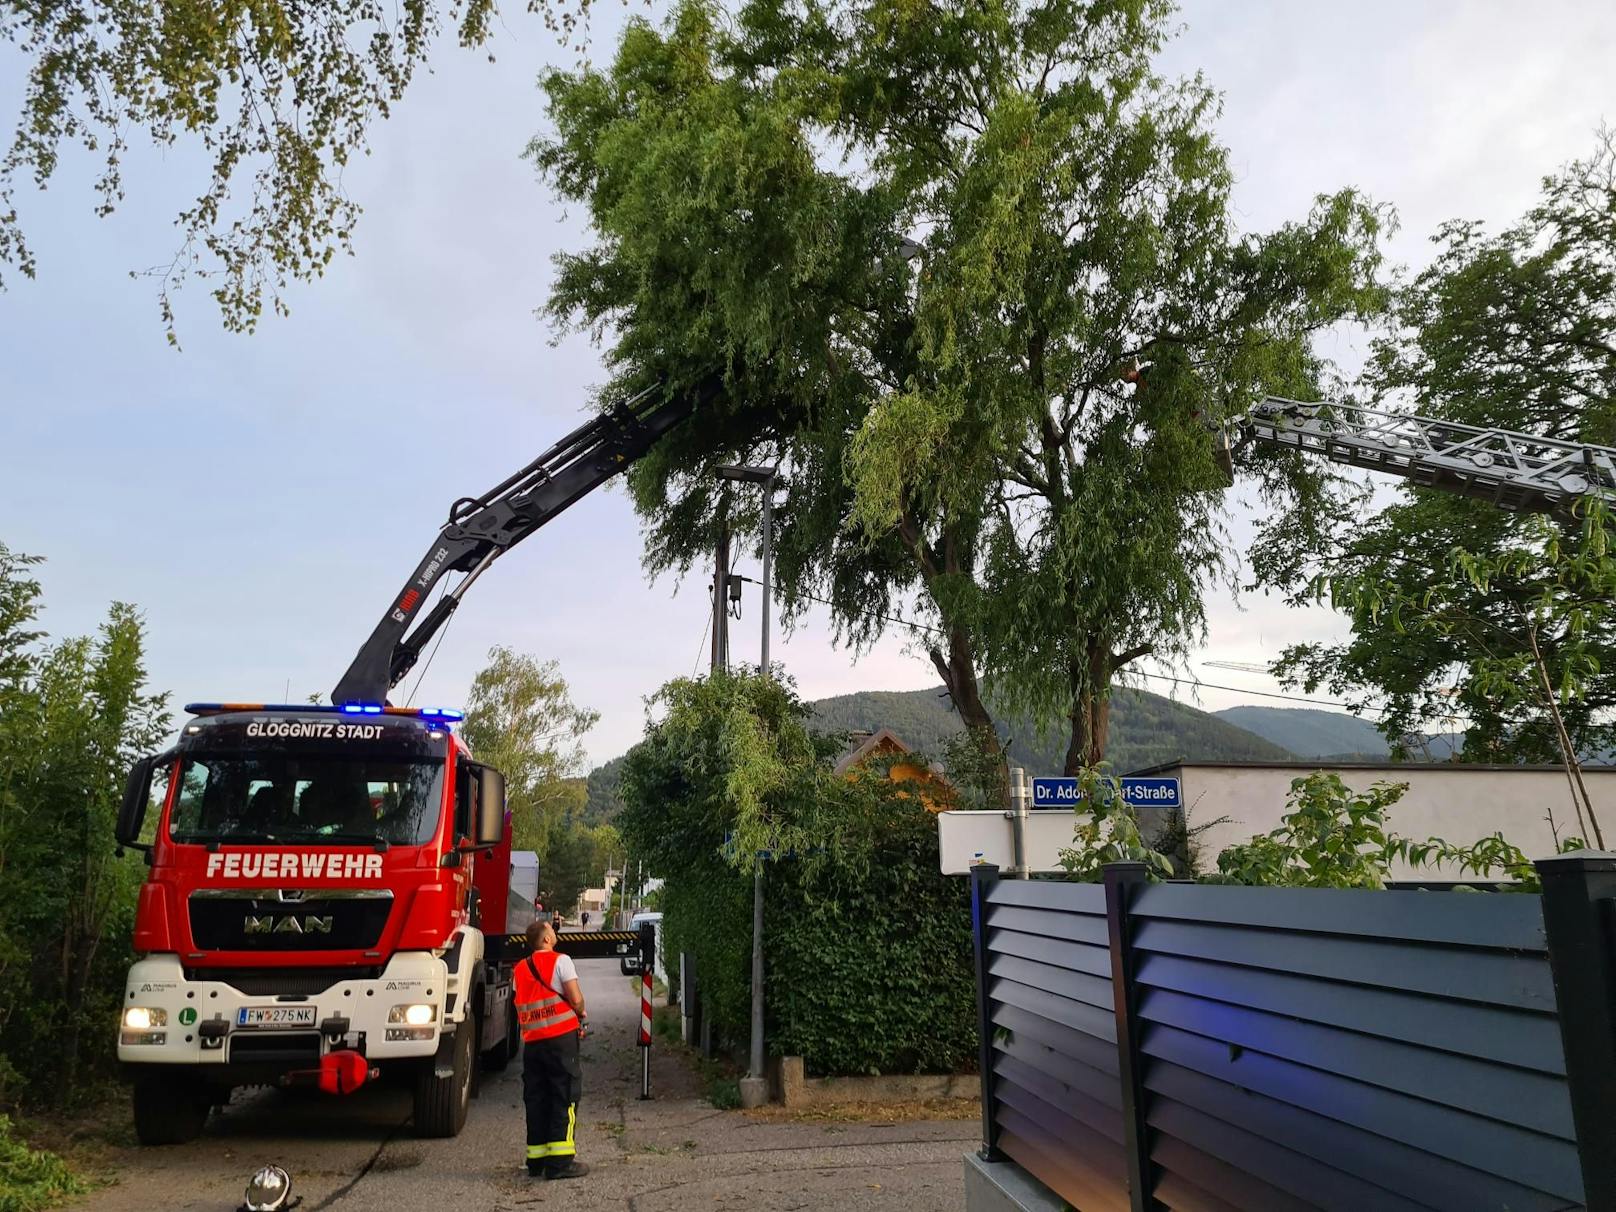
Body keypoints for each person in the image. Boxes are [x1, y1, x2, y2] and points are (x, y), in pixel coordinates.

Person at [514, 918, 589, 1179]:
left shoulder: (520, 968)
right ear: (546, 939)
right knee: (564, 1094)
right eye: (551, 930)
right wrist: (580, 1011)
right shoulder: (561, 960)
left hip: (533, 1043)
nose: (554, 933)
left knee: (536, 1097)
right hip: (561, 1040)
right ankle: (560, 1163)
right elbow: (576, 998)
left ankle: (536, 1161)